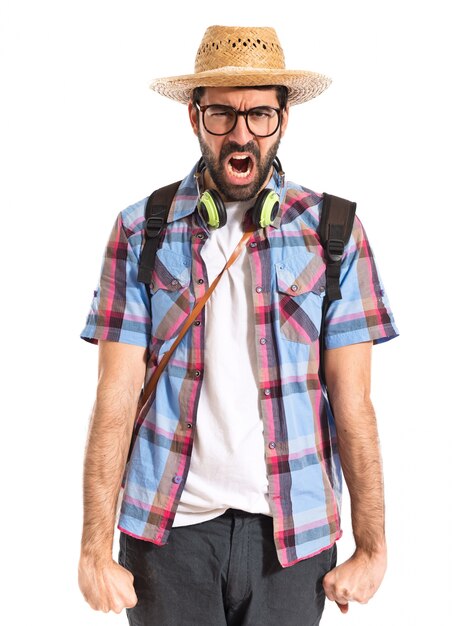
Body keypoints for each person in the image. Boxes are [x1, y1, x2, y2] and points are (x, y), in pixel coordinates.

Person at [78, 25, 398, 625]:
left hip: (293, 539)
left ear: (284, 119)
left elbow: (354, 402)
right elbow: (115, 393)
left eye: (260, 114)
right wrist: (94, 547)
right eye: (222, 114)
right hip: (167, 538)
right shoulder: (139, 231)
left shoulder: (335, 233)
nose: (241, 133)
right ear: (195, 118)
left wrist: (373, 545)